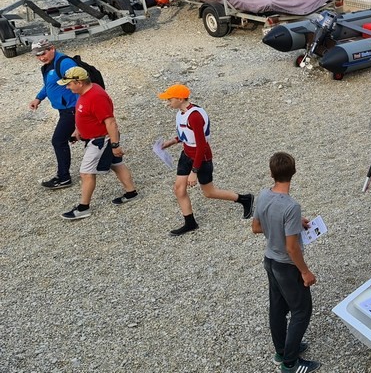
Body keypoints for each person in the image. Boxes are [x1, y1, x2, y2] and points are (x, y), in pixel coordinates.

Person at [251, 152, 319, 373]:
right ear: (294, 172)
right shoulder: (291, 206)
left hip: (269, 261)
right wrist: (305, 272)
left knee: (278, 309)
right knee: (302, 311)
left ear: (271, 173)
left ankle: (281, 351)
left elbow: (256, 227)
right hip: (286, 267)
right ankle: (290, 363)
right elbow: (292, 248)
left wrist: (293, 224)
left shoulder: (262, 196)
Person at [156, 84, 253, 236]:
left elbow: (201, 145)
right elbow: (188, 134)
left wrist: (194, 171)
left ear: (180, 99)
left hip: (201, 158)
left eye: (169, 99)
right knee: (179, 189)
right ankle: (190, 223)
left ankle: (244, 199)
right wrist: (173, 141)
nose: (167, 103)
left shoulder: (194, 116)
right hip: (186, 154)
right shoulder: (181, 112)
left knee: (209, 192)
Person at [57, 66, 138, 220]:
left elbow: (111, 123)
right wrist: (78, 131)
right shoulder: (88, 91)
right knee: (117, 164)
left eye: (69, 84)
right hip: (97, 138)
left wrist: (115, 145)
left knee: (86, 173)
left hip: (100, 141)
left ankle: (83, 208)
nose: (67, 87)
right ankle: (131, 192)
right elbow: (88, 115)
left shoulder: (96, 97)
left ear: (79, 82)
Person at [29, 40, 79, 190]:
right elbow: (49, 85)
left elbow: (80, 88)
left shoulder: (65, 63)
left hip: (72, 110)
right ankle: (108, 161)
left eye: (43, 53)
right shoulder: (48, 65)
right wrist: (39, 97)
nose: (41, 58)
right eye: (37, 55)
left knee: (58, 141)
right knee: (88, 135)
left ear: (52, 48)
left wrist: (79, 120)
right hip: (65, 109)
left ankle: (63, 178)